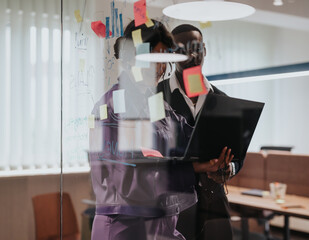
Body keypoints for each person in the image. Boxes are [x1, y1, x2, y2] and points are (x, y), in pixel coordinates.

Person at [88, 20, 232, 240]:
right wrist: (194, 167)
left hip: (159, 226)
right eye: (153, 59)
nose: (160, 68)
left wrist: (216, 154)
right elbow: (130, 177)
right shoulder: (112, 107)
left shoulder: (155, 103)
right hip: (124, 228)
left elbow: (186, 135)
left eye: (163, 60)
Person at [158, 24, 244, 240]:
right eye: (182, 50)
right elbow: (153, 153)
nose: (192, 55)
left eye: (197, 48)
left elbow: (237, 154)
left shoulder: (222, 99)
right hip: (175, 203)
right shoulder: (156, 97)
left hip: (214, 201)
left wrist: (228, 168)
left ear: (204, 50)